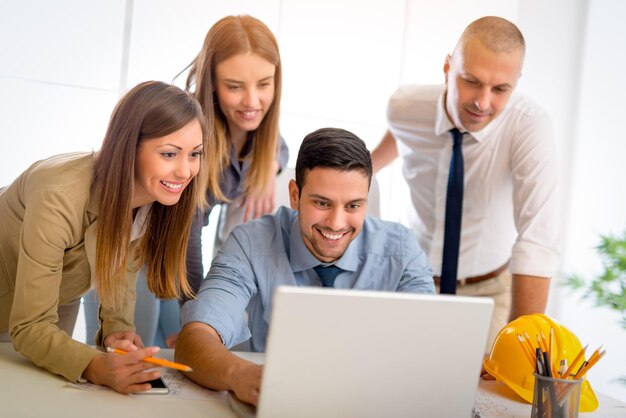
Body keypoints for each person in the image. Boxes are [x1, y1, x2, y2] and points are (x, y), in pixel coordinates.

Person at [175, 127, 435, 406]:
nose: (336, 223)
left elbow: (429, 343)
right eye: (322, 203)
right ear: (295, 195)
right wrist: (241, 375)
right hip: (279, 399)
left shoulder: (401, 250)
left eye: (353, 206)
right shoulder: (251, 243)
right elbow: (195, 337)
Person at [0, 80, 209, 394]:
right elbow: (29, 328)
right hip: (13, 299)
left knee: (40, 390)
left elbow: (120, 264)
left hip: (57, 292)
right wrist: (95, 366)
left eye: (194, 154)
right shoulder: (59, 196)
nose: (185, 171)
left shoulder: (152, 196)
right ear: (129, 147)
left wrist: (118, 330)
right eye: (169, 153)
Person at [371, 16, 559, 350]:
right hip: (410, 282)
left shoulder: (530, 127)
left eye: (501, 89)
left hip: (486, 293)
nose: (482, 102)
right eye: (471, 81)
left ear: (516, 82)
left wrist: (518, 348)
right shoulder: (406, 108)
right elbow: (390, 147)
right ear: (447, 67)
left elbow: (537, 241)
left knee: (481, 399)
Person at [103, 14, 289, 348]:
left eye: (264, 84)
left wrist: (271, 166)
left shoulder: (257, 137)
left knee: (174, 365)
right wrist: (198, 316)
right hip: (129, 253)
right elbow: (188, 238)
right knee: (127, 350)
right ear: (212, 83)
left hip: (170, 258)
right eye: (235, 86)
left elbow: (281, 145)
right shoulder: (192, 137)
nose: (252, 101)